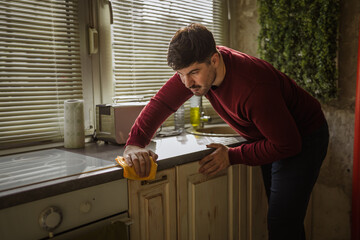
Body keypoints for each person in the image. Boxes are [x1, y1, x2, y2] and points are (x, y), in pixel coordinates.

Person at [123, 23, 329, 239]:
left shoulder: (253, 87)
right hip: (272, 135)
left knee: (283, 223)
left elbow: (287, 144)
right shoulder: (198, 66)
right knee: (283, 220)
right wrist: (135, 142)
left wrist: (232, 155)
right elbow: (162, 103)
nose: (187, 83)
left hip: (304, 137)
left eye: (193, 73)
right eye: (181, 74)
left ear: (214, 59)